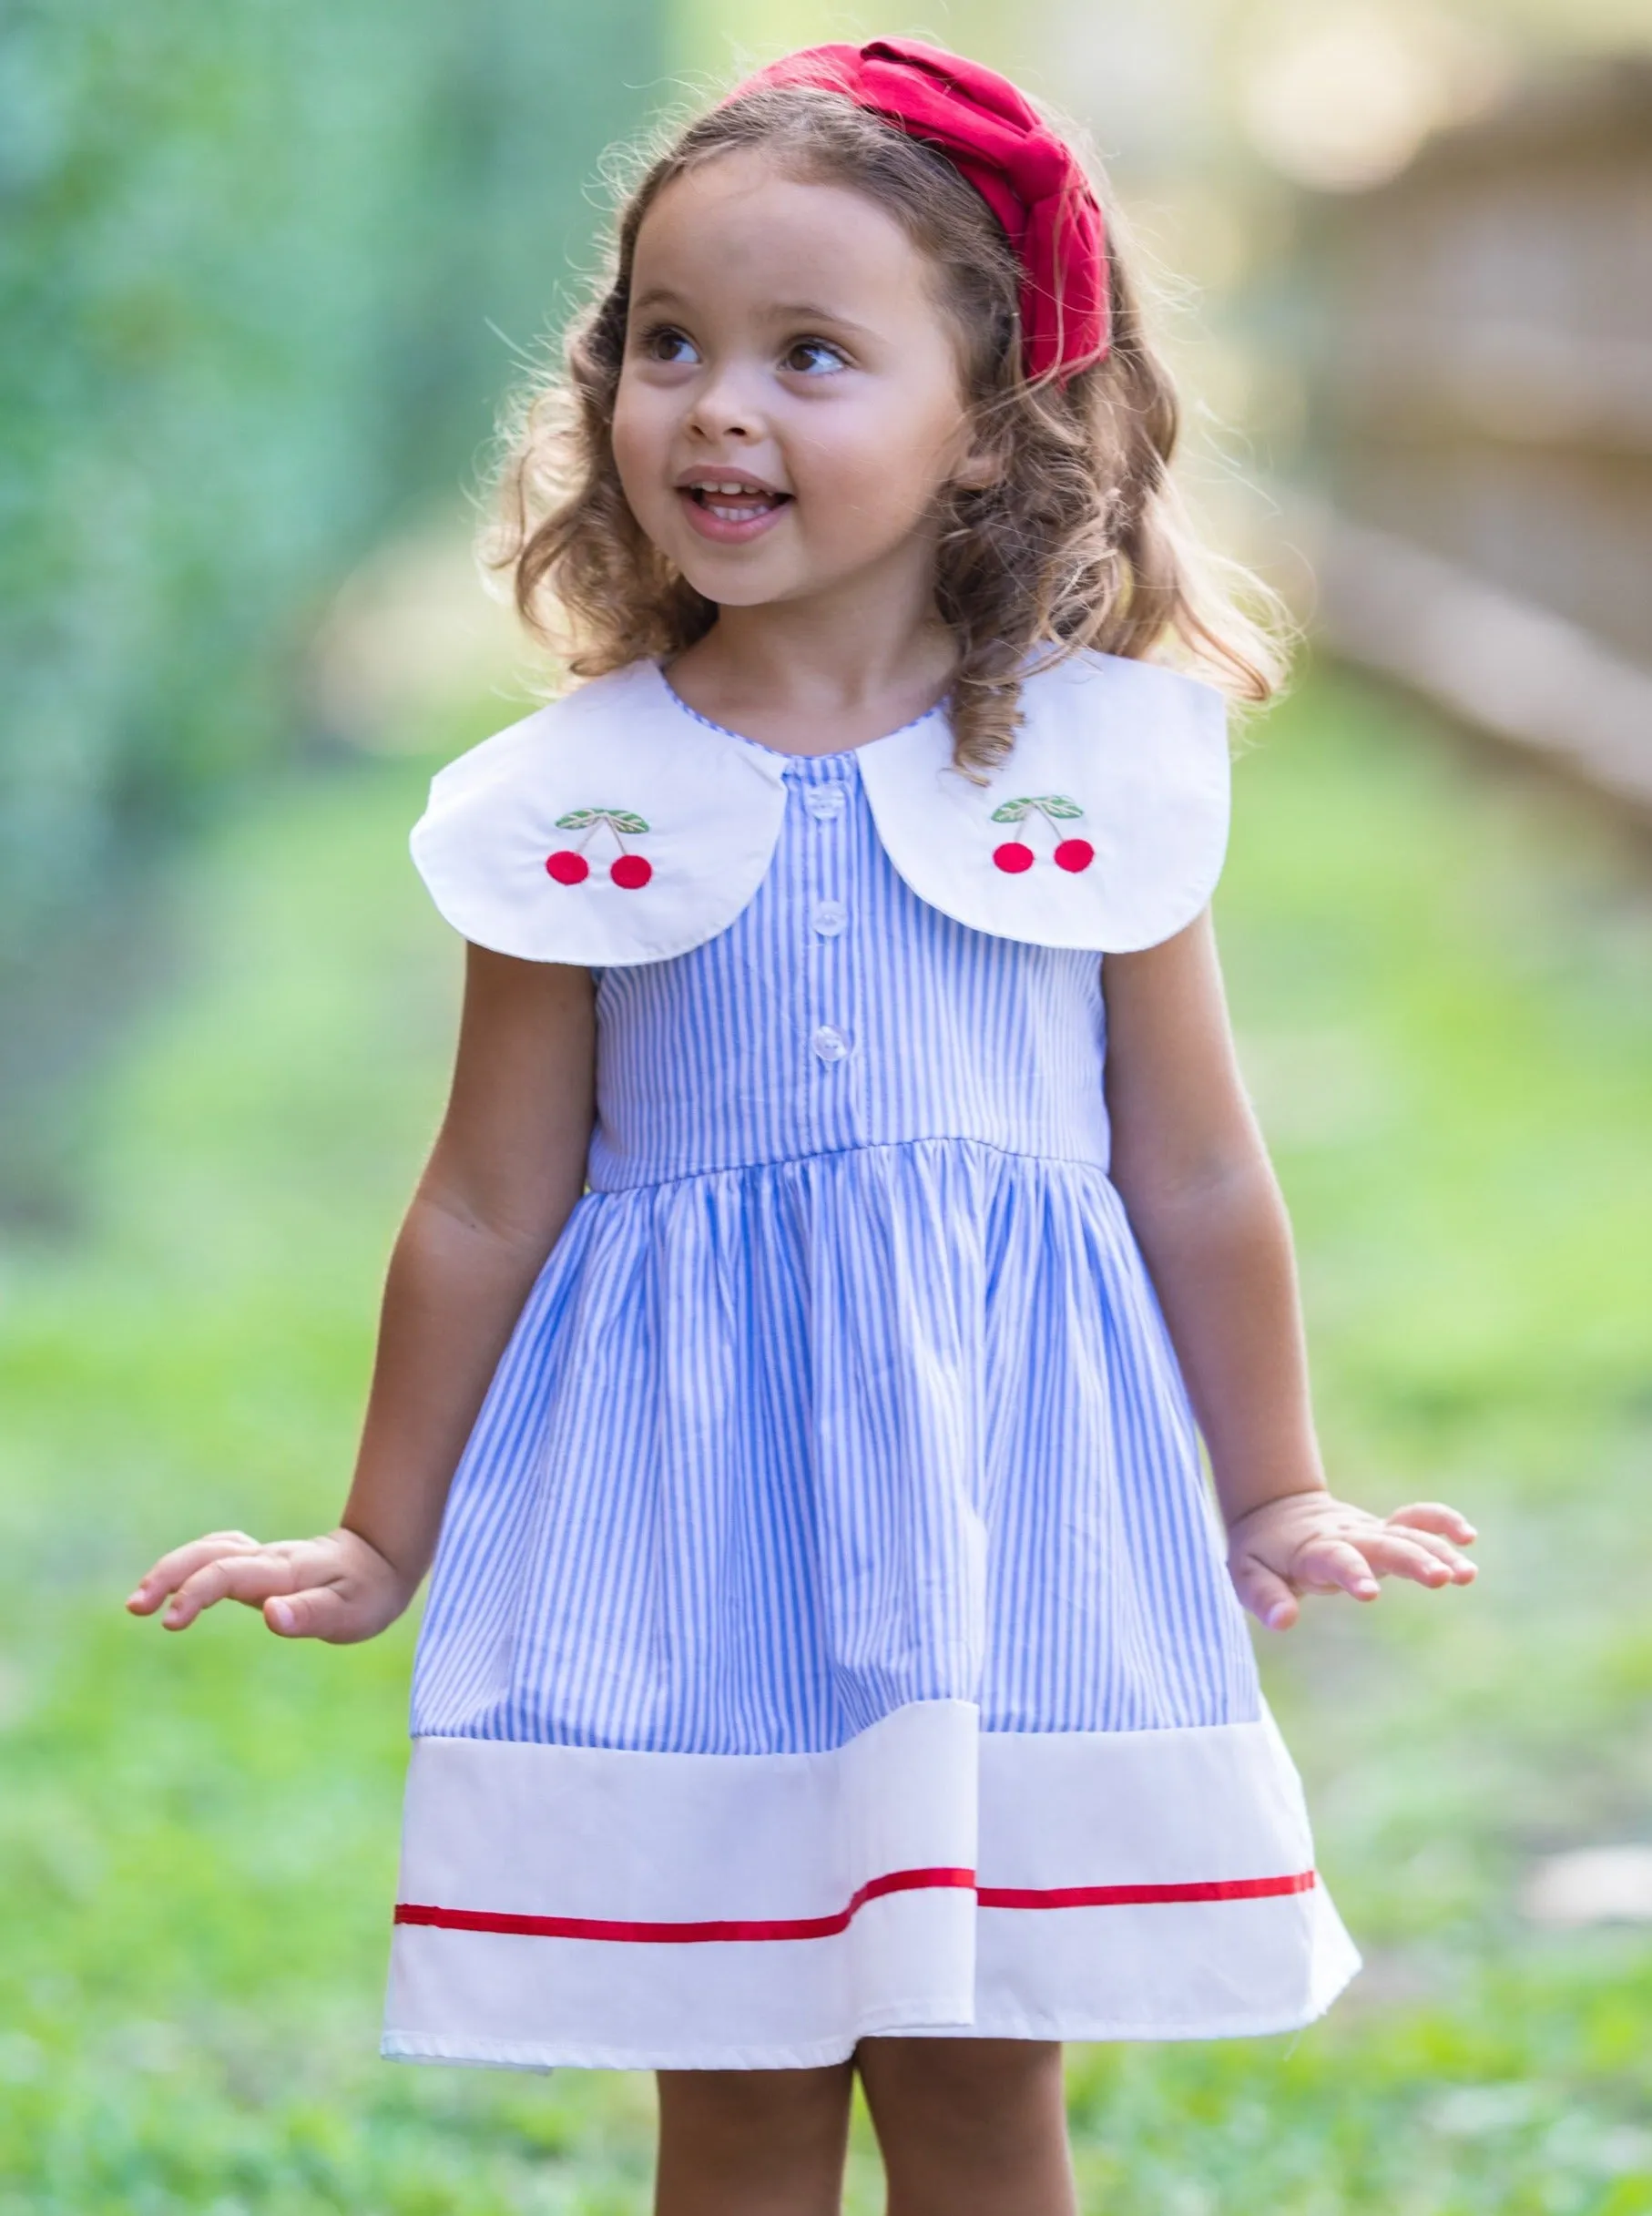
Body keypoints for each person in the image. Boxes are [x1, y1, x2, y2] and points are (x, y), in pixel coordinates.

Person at [127, 38, 1478, 2216]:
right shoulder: (580, 796)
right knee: (736, 2088)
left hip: (993, 1521)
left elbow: (1197, 1168)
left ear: (982, 428)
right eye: (668, 341)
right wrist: (380, 1531)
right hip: (686, 1530)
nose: (715, 405)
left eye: (809, 353)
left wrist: (1280, 1482)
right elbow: (488, 1195)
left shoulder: (1092, 777)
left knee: (970, 2080)